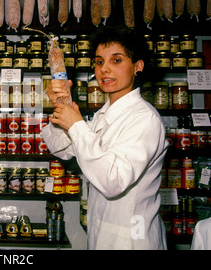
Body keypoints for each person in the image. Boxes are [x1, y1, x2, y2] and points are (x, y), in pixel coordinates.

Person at [42, 26, 168, 250]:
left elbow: (113, 181)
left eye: (117, 60)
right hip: (103, 233)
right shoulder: (104, 114)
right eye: (99, 62)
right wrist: (61, 107)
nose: (105, 70)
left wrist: (77, 125)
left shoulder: (144, 119)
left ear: (137, 66)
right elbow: (61, 148)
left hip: (132, 239)